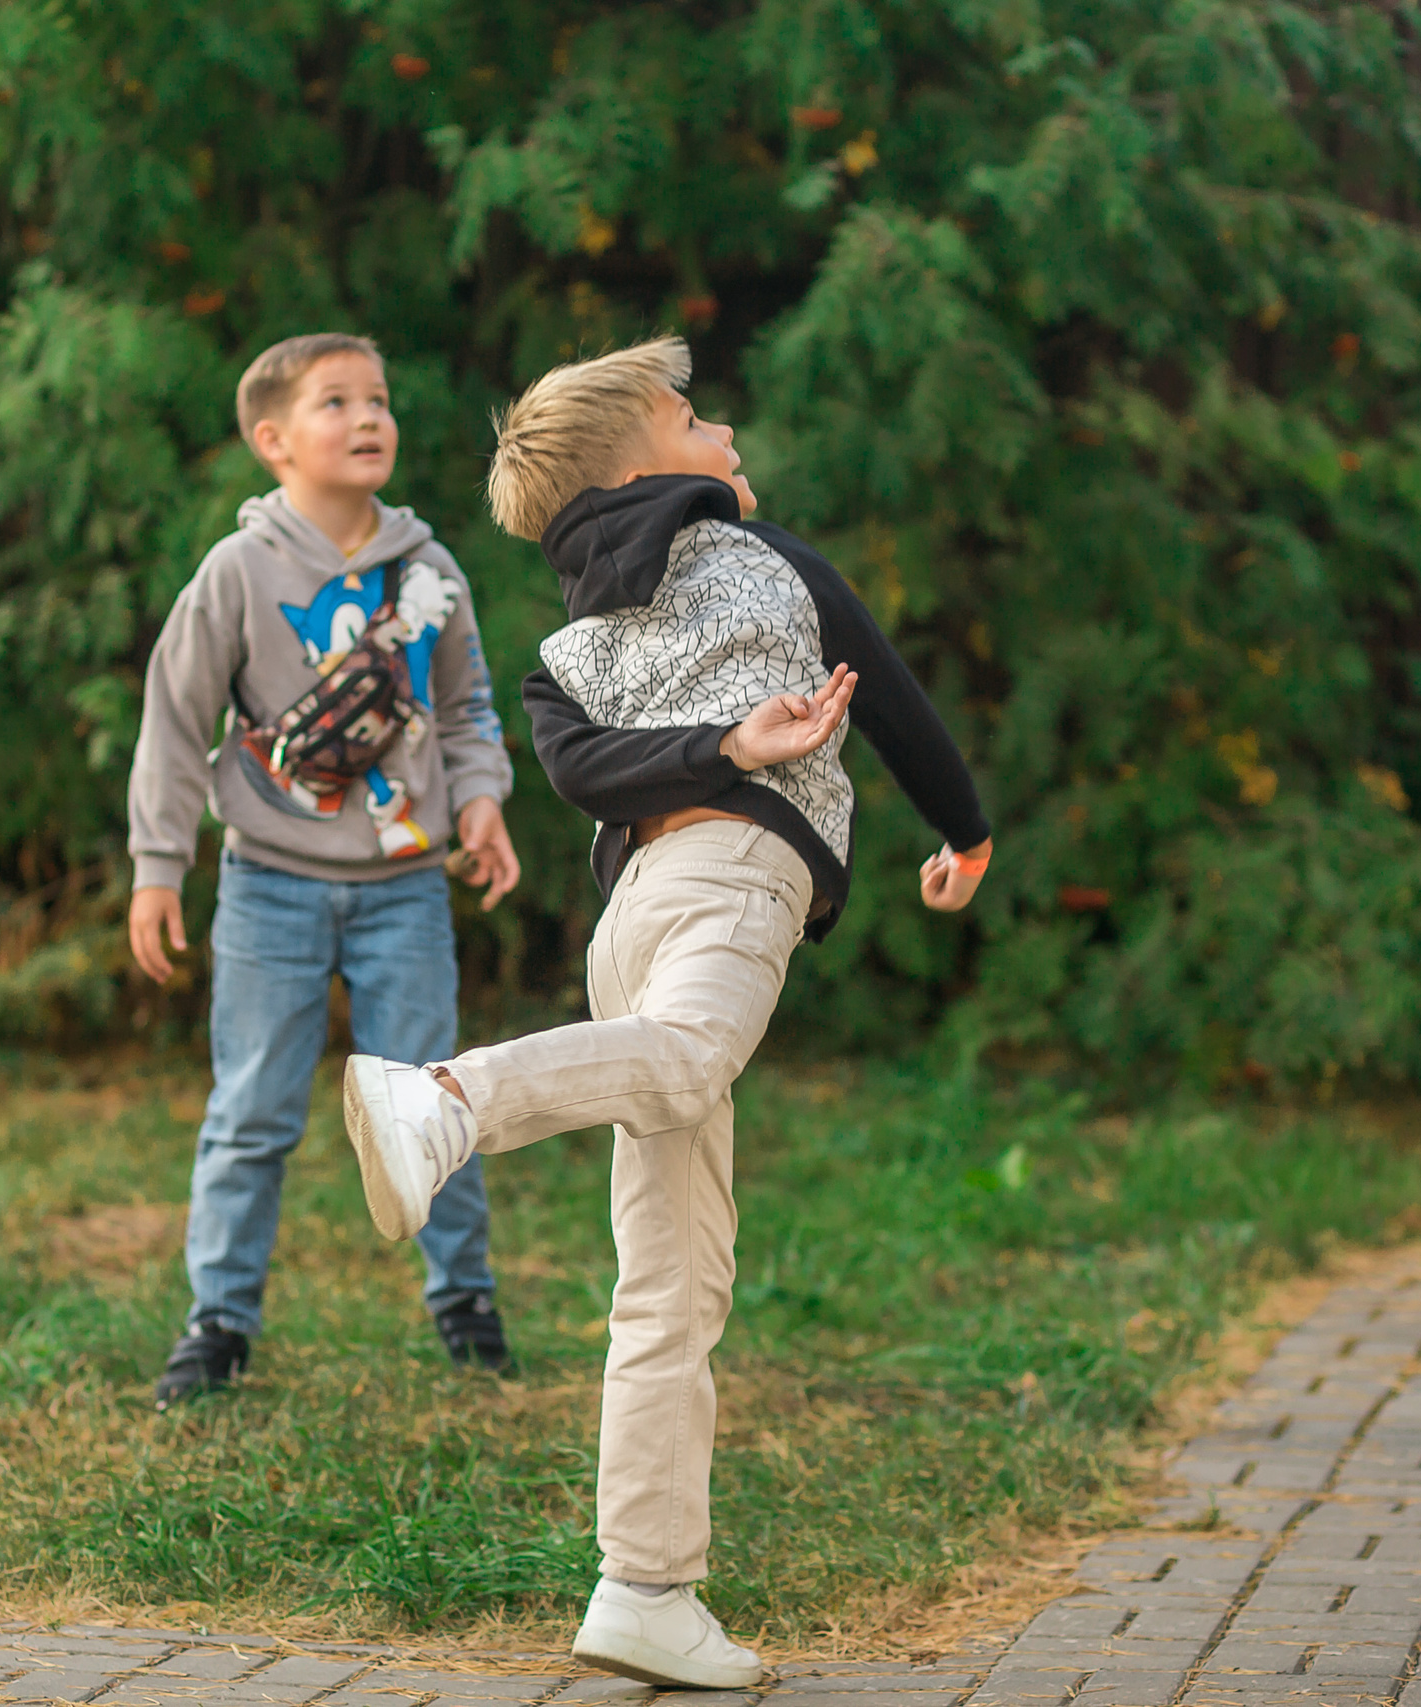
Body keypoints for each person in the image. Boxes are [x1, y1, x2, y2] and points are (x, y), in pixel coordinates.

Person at [339, 337, 993, 1688]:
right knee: (692, 1064)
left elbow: (581, 769)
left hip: (628, 926)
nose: (724, 426)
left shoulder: (564, 648)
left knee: (674, 1278)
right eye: (696, 416)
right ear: (642, 463)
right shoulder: (777, 562)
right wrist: (958, 823)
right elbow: (892, 689)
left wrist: (708, 749)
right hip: (728, 882)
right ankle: (447, 1100)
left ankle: (644, 1585)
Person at [126, 333, 523, 1407]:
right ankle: (217, 1323)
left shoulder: (430, 576)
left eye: (379, 400)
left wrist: (481, 802)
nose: (367, 418)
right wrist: (158, 866)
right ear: (272, 441)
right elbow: (174, 718)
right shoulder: (238, 572)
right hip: (269, 883)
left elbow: (472, 710)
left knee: (435, 1101)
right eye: (335, 402)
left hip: (403, 886)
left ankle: (465, 1302)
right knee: (253, 1109)